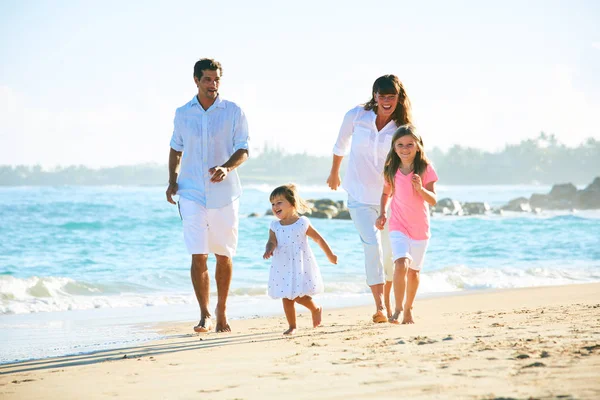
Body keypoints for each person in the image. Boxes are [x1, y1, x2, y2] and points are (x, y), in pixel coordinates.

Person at [166, 58, 250, 333]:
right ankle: (204, 315)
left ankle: (221, 310)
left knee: (223, 255)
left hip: (224, 194)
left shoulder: (233, 111)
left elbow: (243, 149)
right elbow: (176, 148)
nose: (213, 84)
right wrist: (172, 181)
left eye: (216, 80)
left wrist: (227, 168)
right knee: (197, 254)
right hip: (190, 191)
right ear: (196, 80)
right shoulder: (182, 113)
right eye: (207, 79)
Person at [327, 75, 412, 323]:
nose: (386, 101)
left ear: (398, 98)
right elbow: (340, 144)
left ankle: (389, 303)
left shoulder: (401, 126)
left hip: (390, 199)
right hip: (359, 196)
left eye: (391, 96)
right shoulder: (356, 115)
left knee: (389, 254)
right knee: (371, 247)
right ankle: (380, 307)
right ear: (374, 96)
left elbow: (411, 156)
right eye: (382, 96)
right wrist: (334, 173)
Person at [375, 124, 437, 324]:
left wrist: (420, 189)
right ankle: (398, 309)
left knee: (414, 272)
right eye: (400, 144)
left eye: (410, 144)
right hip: (398, 225)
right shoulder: (391, 170)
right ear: (394, 147)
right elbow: (386, 194)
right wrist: (383, 213)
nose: (405, 149)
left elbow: (433, 200)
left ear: (418, 146)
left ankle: (409, 308)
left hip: (420, 229)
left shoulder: (426, 169)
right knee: (400, 264)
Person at [263, 184, 338, 335]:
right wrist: (269, 249)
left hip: (299, 264)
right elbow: (272, 241)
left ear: (292, 203)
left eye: (279, 202)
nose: (275, 206)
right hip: (282, 265)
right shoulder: (275, 226)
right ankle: (292, 326)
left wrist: (330, 255)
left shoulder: (302, 223)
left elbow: (319, 239)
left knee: (298, 296)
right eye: (272, 204)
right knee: (286, 296)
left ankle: (315, 309)